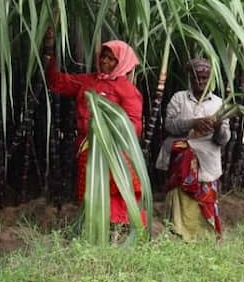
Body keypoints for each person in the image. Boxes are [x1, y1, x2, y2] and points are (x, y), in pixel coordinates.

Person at [45, 37, 144, 225]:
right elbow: (57, 82)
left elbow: (133, 125)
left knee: (116, 186)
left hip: (115, 147)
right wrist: (50, 54)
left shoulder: (128, 90)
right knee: (91, 184)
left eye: (111, 59)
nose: (105, 62)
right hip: (87, 144)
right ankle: (93, 223)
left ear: (121, 63)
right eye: (103, 57)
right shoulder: (87, 81)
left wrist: (110, 134)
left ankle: (117, 224)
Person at [155, 58, 230, 240]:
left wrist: (218, 126)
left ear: (210, 80)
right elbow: (169, 125)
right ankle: (179, 230)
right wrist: (193, 123)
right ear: (190, 78)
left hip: (207, 159)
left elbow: (224, 139)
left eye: (204, 78)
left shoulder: (219, 104)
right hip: (182, 157)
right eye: (197, 78)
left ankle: (203, 234)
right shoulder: (179, 99)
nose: (200, 82)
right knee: (181, 199)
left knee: (203, 200)